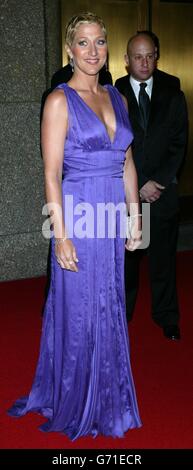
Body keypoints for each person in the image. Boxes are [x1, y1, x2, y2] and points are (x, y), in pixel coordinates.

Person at [8, 12, 142, 440]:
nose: (92, 51)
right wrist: (59, 235)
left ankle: (108, 395)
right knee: (80, 311)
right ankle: (75, 396)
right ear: (69, 50)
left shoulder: (118, 97)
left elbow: (127, 163)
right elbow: (50, 174)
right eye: (82, 43)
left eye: (99, 42)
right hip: (78, 216)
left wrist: (136, 216)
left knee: (110, 306)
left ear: (107, 48)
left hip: (111, 219)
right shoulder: (59, 100)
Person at [115, 33, 188, 340]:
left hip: (163, 191)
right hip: (127, 191)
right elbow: (114, 143)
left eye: (150, 56)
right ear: (126, 59)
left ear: (156, 55)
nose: (144, 63)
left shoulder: (173, 88)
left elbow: (179, 142)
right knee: (127, 261)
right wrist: (140, 182)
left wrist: (157, 182)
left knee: (163, 259)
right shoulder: (111, 91)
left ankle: (167, 316)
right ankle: (122, 316)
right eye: (137, 57)